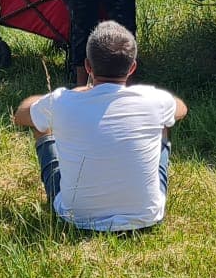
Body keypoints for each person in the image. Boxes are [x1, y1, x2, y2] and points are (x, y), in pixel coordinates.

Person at [13, 22, 187, 232]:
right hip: (146, 216)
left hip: (76, 217)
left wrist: (75, 93)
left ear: (87, 66)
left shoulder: (61, 101)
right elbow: (181, 109)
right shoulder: (154, 99)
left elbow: (21, 115)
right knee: (163, 125)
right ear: (132, 68)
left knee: (41, 124)